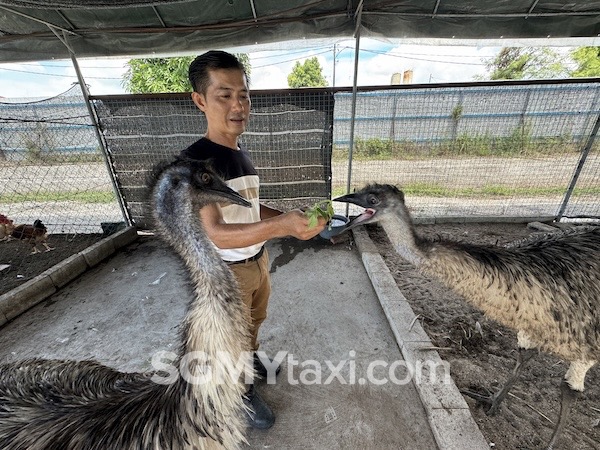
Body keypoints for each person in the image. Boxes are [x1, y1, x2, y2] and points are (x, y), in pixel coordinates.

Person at [181, 50, 327, 430]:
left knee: (254, 321)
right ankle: (238, 393)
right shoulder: (197, 164)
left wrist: (293, 219)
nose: (238, 105)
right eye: (224, 94)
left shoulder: (238, 152)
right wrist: (283, 229)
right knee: (230, 339)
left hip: (256, 260)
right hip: (225, 272)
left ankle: (253, 359)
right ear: (200, 101)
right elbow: (216, 232)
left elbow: (250, 209)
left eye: (243, 94)